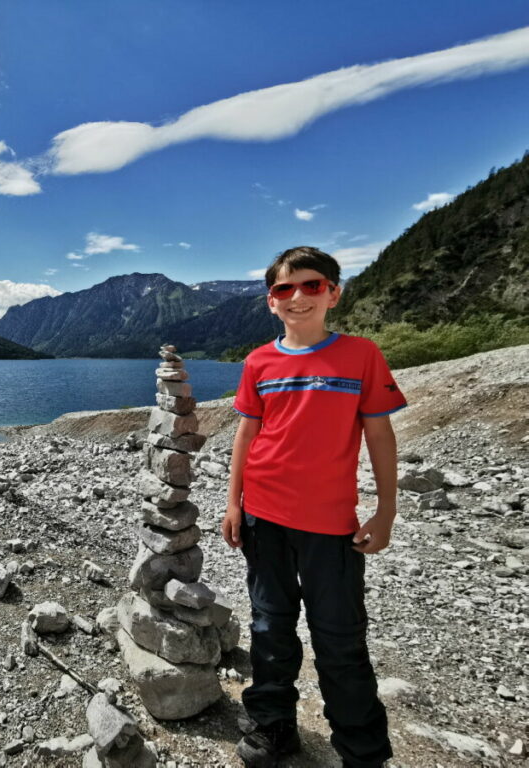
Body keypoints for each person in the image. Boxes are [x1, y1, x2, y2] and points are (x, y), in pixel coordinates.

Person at [221, 246, 406, 768]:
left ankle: (362, 750)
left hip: (332, 527)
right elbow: (246, 433)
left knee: (340, 639)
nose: (298, 296)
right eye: (285, 289)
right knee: (269, 628)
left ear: (333, 292)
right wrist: (233, 502)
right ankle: (274, 726)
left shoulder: (361, 355)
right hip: (263, 519)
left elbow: (380, 433)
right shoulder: (259, 361)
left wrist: (386, 509)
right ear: (271, 302)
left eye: (311, 285)